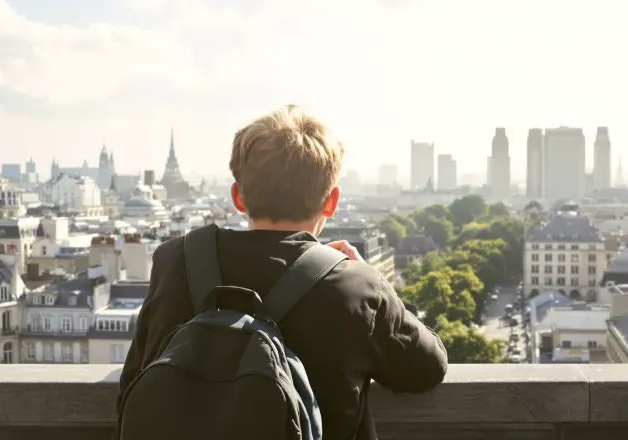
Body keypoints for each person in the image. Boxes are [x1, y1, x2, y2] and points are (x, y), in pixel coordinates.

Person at [118, 105, 448, 440]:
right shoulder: (354, 285)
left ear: (237, 197)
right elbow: (427, 369)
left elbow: (135, 377)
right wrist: (373, 281)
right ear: (331, 202)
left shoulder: (175, 260)